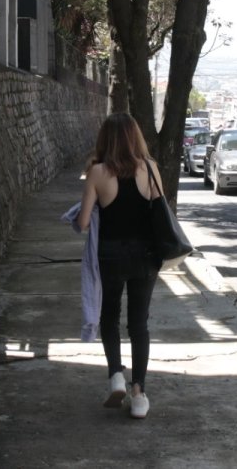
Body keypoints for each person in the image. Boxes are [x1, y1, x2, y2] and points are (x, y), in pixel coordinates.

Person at [76, 113, 162, 419]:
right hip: (146, 257)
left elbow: (84, 222)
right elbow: (160, 212)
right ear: (134, 137)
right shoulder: (150, 168)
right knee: (139, 324)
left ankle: (116, 376)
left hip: (110, 256)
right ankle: (139, 394)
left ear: (106, 140)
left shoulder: (97, 172)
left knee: (109, 317)